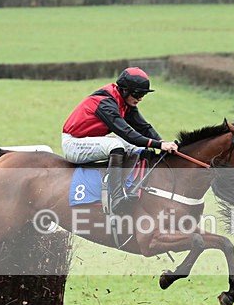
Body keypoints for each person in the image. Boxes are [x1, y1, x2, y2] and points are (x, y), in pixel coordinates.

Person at [62, 67, 179, 213]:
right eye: (138, 94)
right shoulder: (105, 103)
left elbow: (144, 127)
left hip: (90, 140)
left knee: (138, 149)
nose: (140, 98)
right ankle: (116, 198)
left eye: (143, 94)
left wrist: (163, 142)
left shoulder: (124, 101)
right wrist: (159, 145)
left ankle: (138, 187)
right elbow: (128, 133)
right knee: (116, 145)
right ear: (124, 90)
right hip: (73, 144)